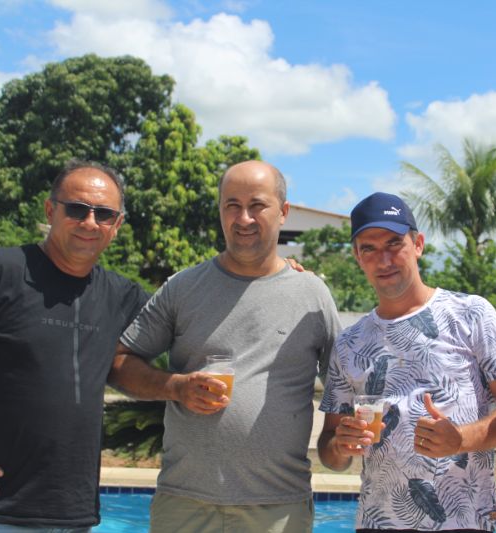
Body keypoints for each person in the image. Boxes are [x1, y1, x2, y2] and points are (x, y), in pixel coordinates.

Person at [107, 160, 341, 533]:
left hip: (278, 510)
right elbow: (120, 362)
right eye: (232, 205)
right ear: (220, 212)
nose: (243, 218)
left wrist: (338, 444)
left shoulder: (312, 294)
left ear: (282, 212)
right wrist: (176, 387)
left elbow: (342, 386)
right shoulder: (183, 288)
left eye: (257, 205)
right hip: (184, 506)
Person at [0, 160, 148, 530]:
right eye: (77, 209)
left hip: (74, 517)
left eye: (104, 214)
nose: (90, 222)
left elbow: (192, 323)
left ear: (117, 225)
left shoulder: (121, 296)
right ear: (50, 210)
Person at [317, 192, 496, 532]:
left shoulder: (471, 314)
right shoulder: (349, 343)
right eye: (369, 248)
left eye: (394, 243)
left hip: (466, 523)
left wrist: (461, 438)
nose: (384, 259)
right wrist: (341, 446)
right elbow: (329, 450)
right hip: (377, 523)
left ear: (418, 245)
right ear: (357, 257)